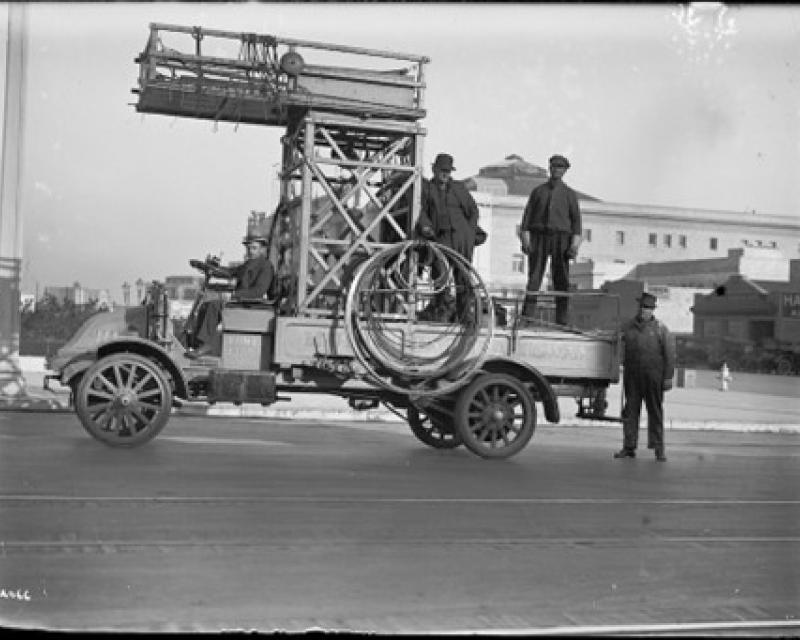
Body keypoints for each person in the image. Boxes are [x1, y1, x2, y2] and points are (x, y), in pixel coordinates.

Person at [184, 233, 275, 359]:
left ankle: (205, 345)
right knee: (205, 305)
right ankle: (196, 342)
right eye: (248, 248)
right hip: (241, 301)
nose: (250, 251)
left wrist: (233, 295)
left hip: (250, 304)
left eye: (254, 248)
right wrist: (211, 268)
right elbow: (230, 272)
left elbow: (258, 291)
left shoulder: (265, 266)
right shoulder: (248, 264)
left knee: (215, 306)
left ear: (261, 249)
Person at [416, 152, 482, 321]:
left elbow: (473, 210)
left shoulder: (459, 188)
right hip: (441, 237)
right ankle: (440, 311)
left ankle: (464, 314)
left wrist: (469, 231)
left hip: (461, 238)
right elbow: (421, 211)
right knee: (440, 274)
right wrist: (426, 226)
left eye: (448, 171)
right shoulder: (427, 189)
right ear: (434, 169)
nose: (445, 174)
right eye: (441, 170)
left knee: (463, 276)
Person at [519, 154, 582, 326]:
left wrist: (574, 245)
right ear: (549, 168)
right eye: (554, 167)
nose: (557, 170)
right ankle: (527, 318)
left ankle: (562, 320)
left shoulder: (570, 195)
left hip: (561, 240)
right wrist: (526, 242)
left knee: (561, 280)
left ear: (565, 171)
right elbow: (526, 220)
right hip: (539, 238)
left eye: (560, 168)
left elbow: (576, 223)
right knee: (534, 279)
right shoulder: (538, 192)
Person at [614, 292, 676, 461]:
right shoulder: (627, 327)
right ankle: (629, 447)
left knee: (655, 412)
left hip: (654, 378)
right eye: (642, 306)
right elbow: (617, 343)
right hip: (633, 377)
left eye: (648, 307)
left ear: (653, 310)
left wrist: (668, 378)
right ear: (639, 307)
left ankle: (658, 448)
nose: (644, 310)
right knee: (630, 412)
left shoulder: (661, 330)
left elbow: (670, 355)